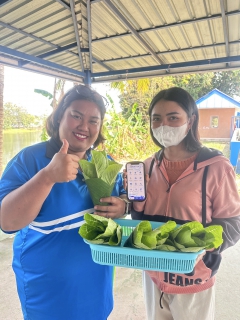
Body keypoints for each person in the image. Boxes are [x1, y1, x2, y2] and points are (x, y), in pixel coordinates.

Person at [0, 85, 129, 320]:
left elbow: (122, 199)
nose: (84, 126)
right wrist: (47, 176)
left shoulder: (103, 161)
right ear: (60, 116)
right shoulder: (30, 160)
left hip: (97, 286)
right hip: (48, 292)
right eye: (76, 116)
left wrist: (122, 206)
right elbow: (7, 221)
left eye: (94, 120)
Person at [128, 87, 240, 320]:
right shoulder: (148, 166)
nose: (163, 125)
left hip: (193, 279)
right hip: (153, 275)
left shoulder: (216, 167)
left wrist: (204, 245)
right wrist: (134, 202)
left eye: (173, 118)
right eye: (156, 119)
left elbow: (233, 222)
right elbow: (141, 221)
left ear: (190, 121)